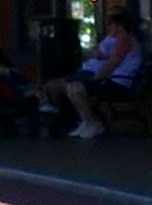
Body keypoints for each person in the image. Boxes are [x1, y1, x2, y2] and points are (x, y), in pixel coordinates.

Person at [52, 11, 146, 139]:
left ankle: (93, 122)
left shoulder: (125, 39)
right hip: (113, 80)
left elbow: (112, 64)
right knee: (71, 87)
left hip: (118, 83)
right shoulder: (124, 39)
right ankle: (86, 122)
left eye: (111, 25)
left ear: (119, 26)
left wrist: (97, 78)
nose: (109, 28)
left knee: (75, 89)